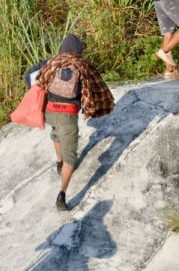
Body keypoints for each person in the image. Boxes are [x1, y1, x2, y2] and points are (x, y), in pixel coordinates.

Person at [25, 35, 114, 211]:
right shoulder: (82, 65)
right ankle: (62, 195)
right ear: (78, 50)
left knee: (55, 133)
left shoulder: (51, 61)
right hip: (67, 115)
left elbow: (28, 74)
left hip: (49, 111)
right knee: (71, 159)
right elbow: (98, 88)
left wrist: (35, 94)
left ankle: (58, 162)